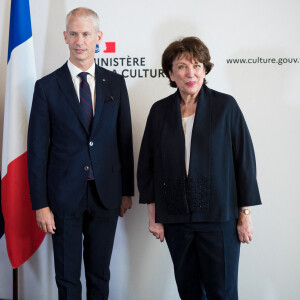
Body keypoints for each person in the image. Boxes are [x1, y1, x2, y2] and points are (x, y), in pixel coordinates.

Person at [137, 37, 261, 300]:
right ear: (171, 73)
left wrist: (245, 214)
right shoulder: (159, 111)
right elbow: (147, 164)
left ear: (205, 70)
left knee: (223, 293)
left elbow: (245, 162)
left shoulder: (226, 106)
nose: (190, 73)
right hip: (176, 219)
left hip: (219, 219)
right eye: (181, 66)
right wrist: (153, 215)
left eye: (196, 65)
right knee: (189, 292)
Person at [28, 7, 134, 300]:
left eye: (86, 34)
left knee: (100, 276)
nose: (80, 40)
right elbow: (37, 151)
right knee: (67, 278)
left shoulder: (116, 83)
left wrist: (127, 191)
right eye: (73, 33)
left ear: (98, 37)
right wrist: (41, 204)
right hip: (62, 197)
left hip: (106, 195)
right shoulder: (46, 87)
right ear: (65, 36)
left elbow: (124, 140)